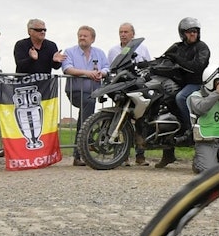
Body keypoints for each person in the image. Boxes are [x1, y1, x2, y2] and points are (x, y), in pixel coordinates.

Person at [153, 17, 210, 169]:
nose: (193, 34)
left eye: (195, 31)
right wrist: (148, 65)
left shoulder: (202, 47)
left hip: (196, 84)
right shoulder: (178, 47)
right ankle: (168, 154)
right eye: (190, 32)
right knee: (162, 105)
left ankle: (189, 128)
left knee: (181, 97)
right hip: (180, 83)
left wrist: (177, 59)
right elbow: (163, 59)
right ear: (182, 33)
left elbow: (197, 67)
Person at [60, 25, 108, 166]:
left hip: (93, 92)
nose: (82, 38)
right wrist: (88, 73)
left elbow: (107, 67)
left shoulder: (99, 53)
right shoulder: (69, 51)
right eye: (80, 35)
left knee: (84, 118)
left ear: (92, 39)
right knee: (88, 106)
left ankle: (78, 153)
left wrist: (102, 73)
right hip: (75, 91)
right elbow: (67, 68)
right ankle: (86, 140)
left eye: (85, 35)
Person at [113, 22, 152, 164]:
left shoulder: (143, 49)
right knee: (121, 121)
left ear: (133, 34)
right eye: (121, 32)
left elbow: (148, 66)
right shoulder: (113, 50)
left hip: (137, 88)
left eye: (126, 32)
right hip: (121, 90)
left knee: (140, 120)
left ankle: (140, 156)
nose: (123, 34)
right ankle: (122, 156)